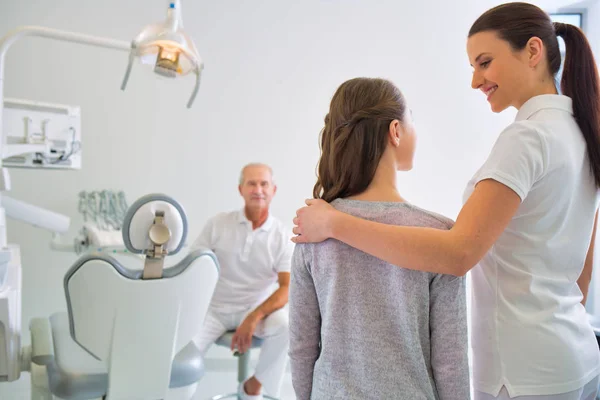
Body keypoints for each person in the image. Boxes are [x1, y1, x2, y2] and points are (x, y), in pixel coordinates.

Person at [292, 3, 600, 400]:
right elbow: (582, 268)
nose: (476, 80)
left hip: (526, 371)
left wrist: (334, 224)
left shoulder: (528, 138)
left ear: (533, 51)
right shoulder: (581, 132)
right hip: (574, 354)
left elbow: (458, 254)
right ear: (396, 132)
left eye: (485, 62)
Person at [288, 77, 470, 400]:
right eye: (411, 119)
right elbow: (451, 363)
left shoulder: (312, 229)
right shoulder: (439, 235)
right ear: (395, 131)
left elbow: (301, 349)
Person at [191, 163, 293, 400]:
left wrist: (253, 317)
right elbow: (194, 267)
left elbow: (287, 288)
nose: (258, 189)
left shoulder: (282, 236)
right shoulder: (218, 224)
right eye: (252, 183)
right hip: (213, 310)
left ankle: (253, 387)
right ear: (241, 189)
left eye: (264, 184)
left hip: (255, 311)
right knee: (180, 361)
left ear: (273, 190)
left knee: (287, 325)